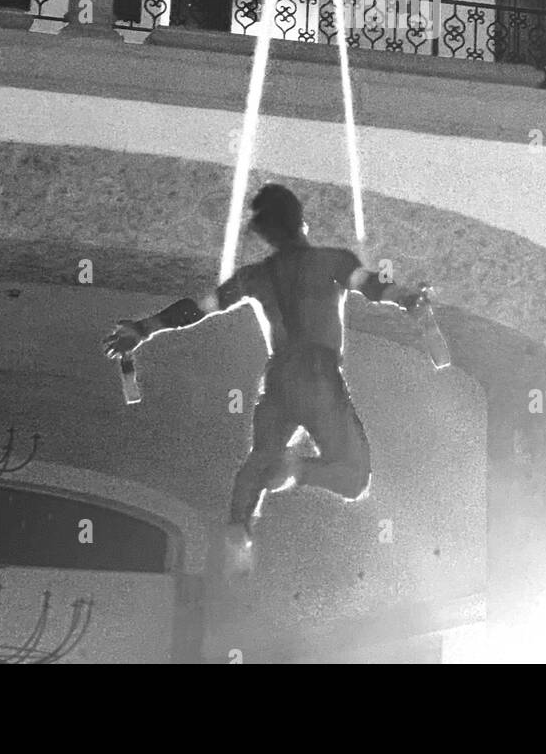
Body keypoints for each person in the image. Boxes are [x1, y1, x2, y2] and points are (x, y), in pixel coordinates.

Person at [102, 183, 433, 577]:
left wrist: (145, 328)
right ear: (302, 223)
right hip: (318, 374)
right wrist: (411, 299)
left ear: (265, 234)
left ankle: (240, 521)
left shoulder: (254, 276)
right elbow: (374, 287)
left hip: (277, 377)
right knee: (354, 478)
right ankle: (292, 472)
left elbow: (200, 308)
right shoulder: (333, 261)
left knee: (260, 456)